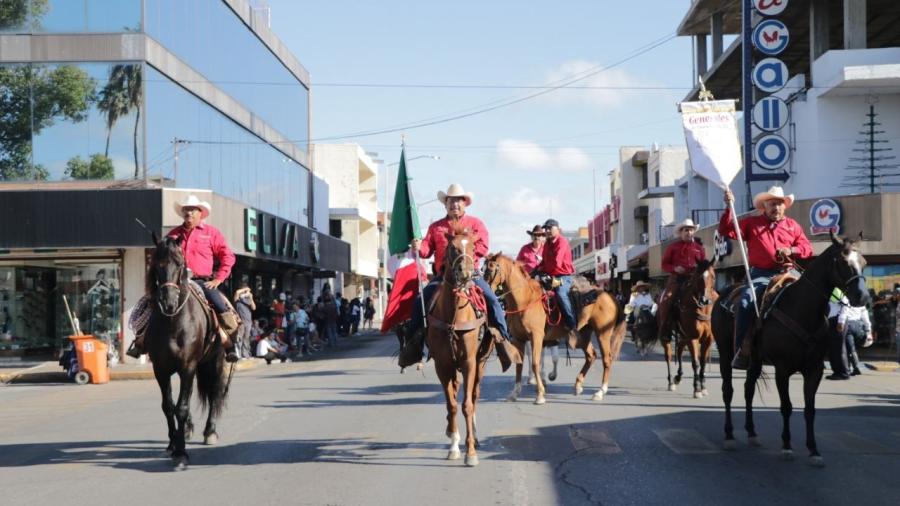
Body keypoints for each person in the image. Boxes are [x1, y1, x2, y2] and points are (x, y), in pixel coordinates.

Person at [400, 183, 517, 368]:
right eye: (451, 201)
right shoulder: (436, 227)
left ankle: (504, 342)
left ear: (465, 203)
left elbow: (483, 246)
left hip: (471, 275)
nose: (454, 204)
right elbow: (426, 250)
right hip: (444, 277)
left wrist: (466, 253)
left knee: (493, 301)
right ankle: (414, 346)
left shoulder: (476, 224)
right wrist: (418, 246)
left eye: (458, 201)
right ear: (445, 204)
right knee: (419, 301)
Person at [127, 194, 240, 362]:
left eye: (193, 210)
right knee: (150, 305)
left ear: (200, 213)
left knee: (220, 305)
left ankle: (230, 345)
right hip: (176, 282)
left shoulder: (211, 233)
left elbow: (228, 257)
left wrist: (218, 279)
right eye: (186, 209)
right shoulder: (173, 235)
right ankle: (140, 341)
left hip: (203, 281)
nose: (189, 213)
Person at [719, 186, 813, 369]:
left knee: (813, 299)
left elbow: (807, 249)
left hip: (788, 272)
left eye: (779, 204)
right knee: (745, 303)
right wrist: (729, 207)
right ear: (765, 206)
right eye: (772, 204)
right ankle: (741, 351)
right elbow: (726, 229)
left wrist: (791, 250)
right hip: (761, 274)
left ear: (784, 206)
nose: (776, 207)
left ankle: (817, 345)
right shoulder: (751, 223)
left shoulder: (793, 225)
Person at [656, 218, 706, 341]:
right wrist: (674, 268)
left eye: (691, 230)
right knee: (667, 299)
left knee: (711, 296)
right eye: (686, 230)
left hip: (694, 280)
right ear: (681, 232)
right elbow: (664, 264)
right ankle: (664, 328)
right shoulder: (672, 247)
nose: (689, 232)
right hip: (677, 279)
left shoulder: (699, 248)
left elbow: (704, 265)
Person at [535, 219, 577, 334]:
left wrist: (546, 275)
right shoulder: (547, 244)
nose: (547, 231)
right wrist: (536, 270)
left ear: (557, 229)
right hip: (551, 276)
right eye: (546, 229)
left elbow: (557, 263)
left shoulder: (562, 242)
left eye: (550, 228)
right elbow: (544, 262)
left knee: (560, 293)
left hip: (563, 277)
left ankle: (572, 324)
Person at [835, 299, 874, 378]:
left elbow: (841, 314)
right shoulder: (861, 304)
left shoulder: (845, 301)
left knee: (849, 348)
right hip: (858, 325)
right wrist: (868, 331)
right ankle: (853, 367)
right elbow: (866, 318)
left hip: (848, 325)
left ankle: (853, 368)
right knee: (852, 348)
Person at [234, 283, 256, 359]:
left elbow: (254, 308)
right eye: (245, 291)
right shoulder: (238, 298)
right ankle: (238, 355)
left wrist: (251, 298)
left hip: (248, 321)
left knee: (246, 338)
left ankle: (245, 354)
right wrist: (246, 289)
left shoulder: (247, 299)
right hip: (241, 321)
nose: (247, 292)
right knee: (240, 338)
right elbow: (237, 292)